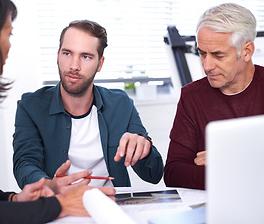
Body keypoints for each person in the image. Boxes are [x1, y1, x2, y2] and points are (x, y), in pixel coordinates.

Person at [0, 0, 115, 223]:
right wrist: (58, 205)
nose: (10, 46)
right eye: (8, 34)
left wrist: (14, 199)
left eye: (85, 56)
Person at [12, 20, 164, 193]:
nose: (74, 66)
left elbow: (154, 175)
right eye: (67, 53)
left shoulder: (121, 104)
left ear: (100, 63)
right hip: (59, 208)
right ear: (57, 55)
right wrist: (48, 186)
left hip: (112, 207)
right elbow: (25, 164)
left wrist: (144, 148)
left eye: (86, 57)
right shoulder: (30, 106)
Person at [164, 3, 264, 190]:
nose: (206, 66)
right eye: (202, 54)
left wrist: (225, 158)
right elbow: (174, 173)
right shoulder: (192, 96)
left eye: (218, 55)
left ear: (247, 51)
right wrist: (259, 166)